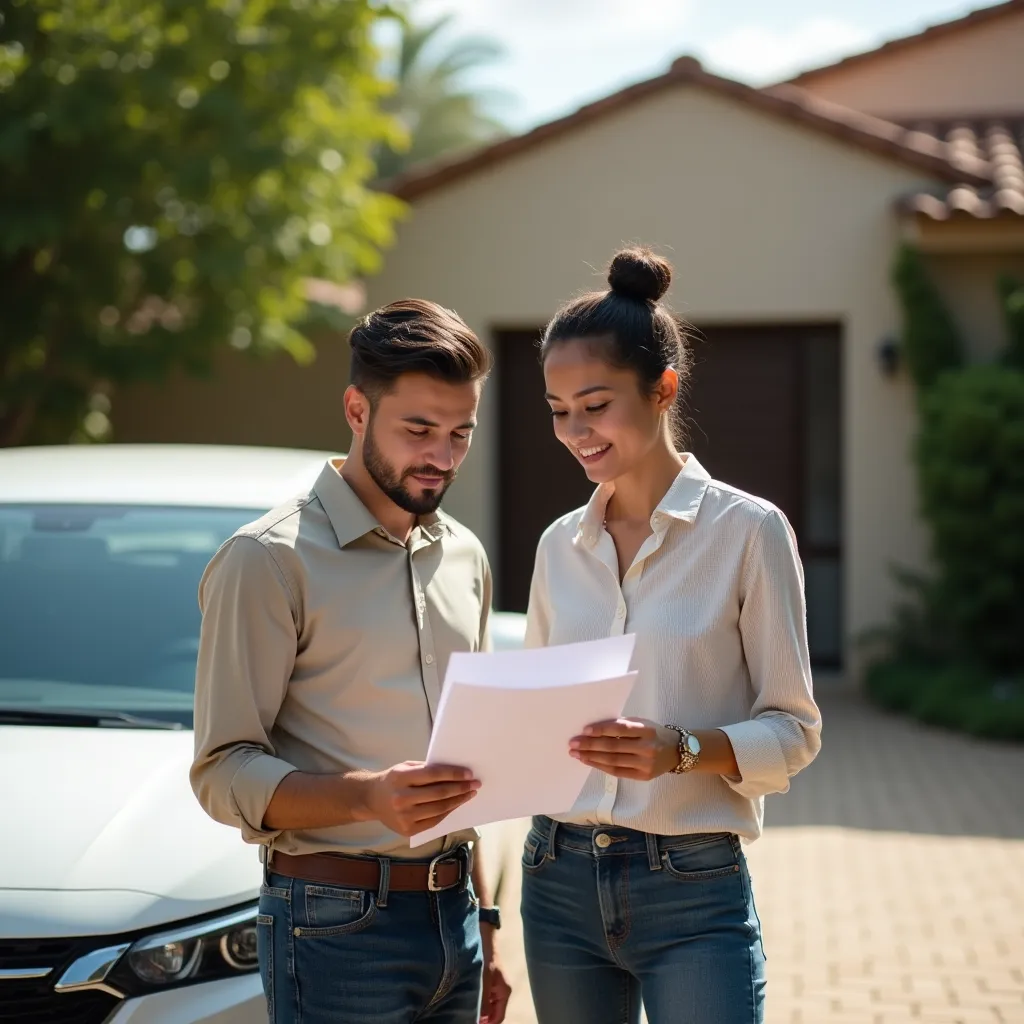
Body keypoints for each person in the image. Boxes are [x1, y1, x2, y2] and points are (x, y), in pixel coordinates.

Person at [521, 248, 822, 1024]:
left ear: (663, 389)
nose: (576, 431)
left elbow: (793, 731)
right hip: (555, 878)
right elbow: (536, 729)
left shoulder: (748, 532)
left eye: (595, 404)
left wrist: (681, 750)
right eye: (558, 410)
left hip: (691, 884)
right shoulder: (559, 545)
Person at [190, 299, 511, 1024]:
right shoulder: (267, 559)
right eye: (419, 430)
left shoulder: (465, 555)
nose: (442, 457)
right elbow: (221, 772)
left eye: (461, 433)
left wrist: (486, 928)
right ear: (356, 410)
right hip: (333, 926)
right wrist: (367, 798)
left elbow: (472, 764)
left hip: (456, 922)